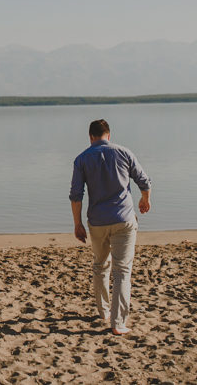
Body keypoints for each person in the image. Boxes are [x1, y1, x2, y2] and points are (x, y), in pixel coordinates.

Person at [69, 119, 152, 335]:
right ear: (109, 134)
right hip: (124, 220)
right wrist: (145, 200)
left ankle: (103, 312)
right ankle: (118, 323)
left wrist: (77, 224)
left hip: (97, 222)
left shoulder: (82, 159)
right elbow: (144, 181)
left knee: (100, 265)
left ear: (90, 137)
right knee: (122, 271)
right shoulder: (124, 153)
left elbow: (76, 196)